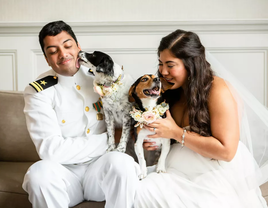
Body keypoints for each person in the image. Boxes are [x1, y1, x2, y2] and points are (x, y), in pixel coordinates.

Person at [134, 29, 268, 208]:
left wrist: (175, 132)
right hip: (174, 167)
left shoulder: (217, 90)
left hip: (212, 171)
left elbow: (226, 152)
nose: (163, 71)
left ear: (191, 64)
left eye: (170, 65)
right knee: (136, 190)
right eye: (160, 63)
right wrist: (155, 140)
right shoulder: (169, 92)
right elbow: (168, 135)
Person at [22, 20, 140, 208]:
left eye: (68, 46)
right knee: (38, 174)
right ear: (46, 58)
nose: (63, 54)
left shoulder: (104, 76)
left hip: (101, 169)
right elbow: (51, 151)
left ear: (78, 47)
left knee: (122, 163)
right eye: (53, 51)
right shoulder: (38, 91)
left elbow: (134, 110)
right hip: (65, 174)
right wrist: (111, 138)